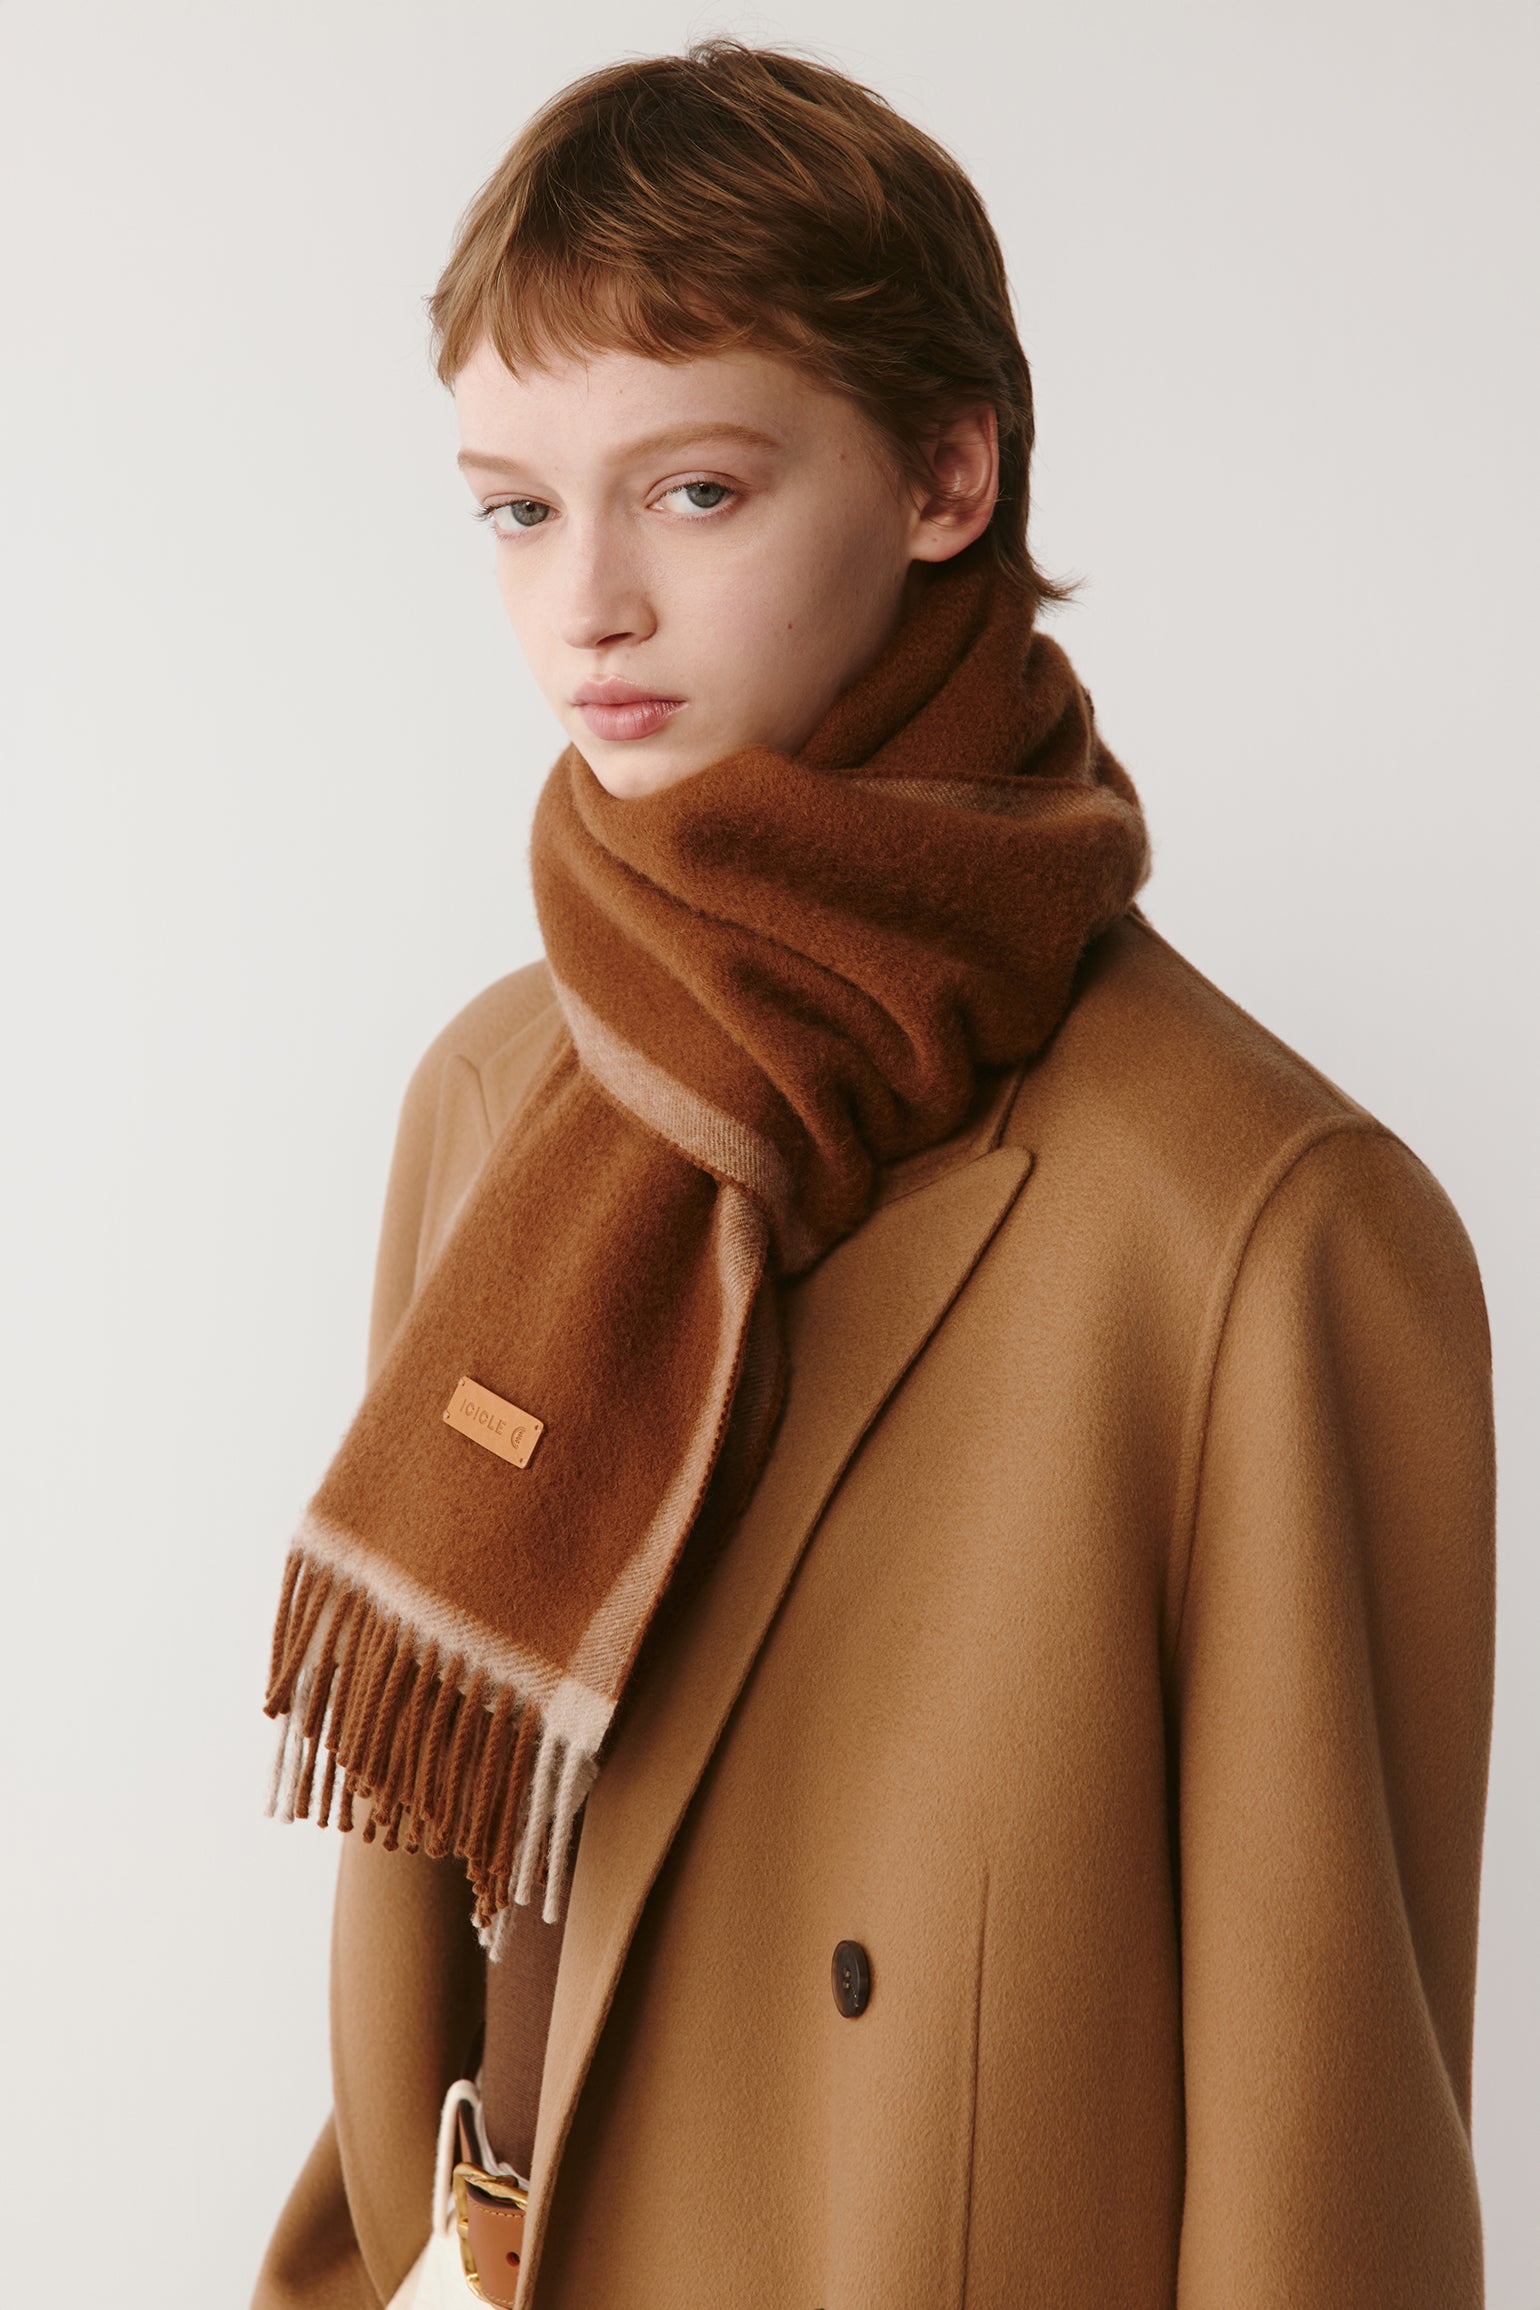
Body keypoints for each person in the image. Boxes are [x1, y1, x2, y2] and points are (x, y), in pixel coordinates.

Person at [252, 40, 1495, 2310]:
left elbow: (1327, 2169)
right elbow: (437, 1896)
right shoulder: (497, 1096)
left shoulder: (1254, 1226)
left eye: (694, 491)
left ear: (943, 473)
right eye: (516, 508)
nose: (584, 607)